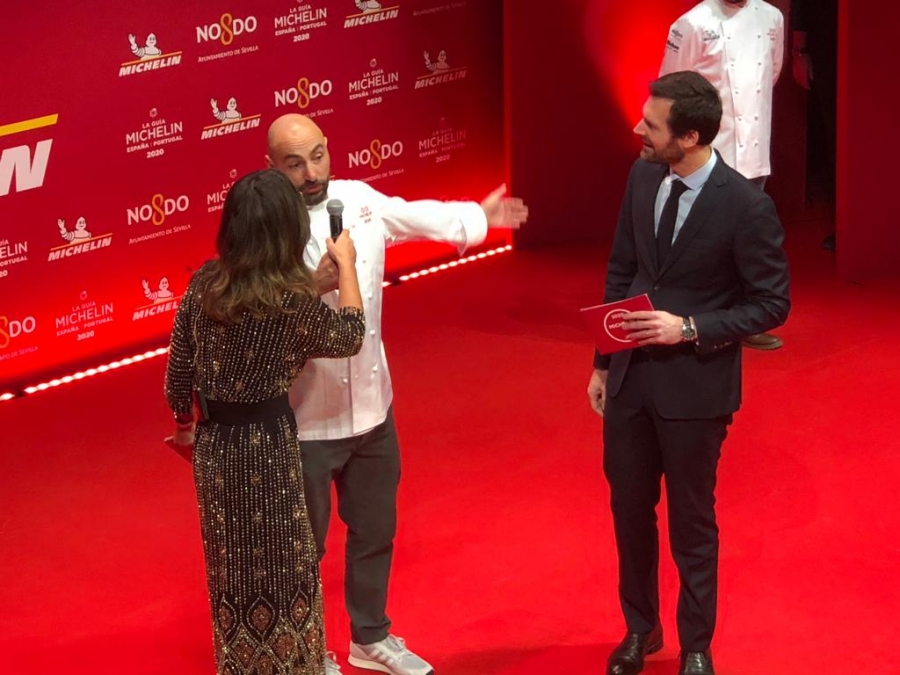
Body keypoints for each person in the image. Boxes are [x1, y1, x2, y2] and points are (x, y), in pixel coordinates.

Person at [265, 113, 528, 675]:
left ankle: (370, 638)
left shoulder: (359, 199)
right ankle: (306, 652)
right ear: (272, 167)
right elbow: (252, 320)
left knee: (376, 531)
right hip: (303, 418)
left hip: (373, 409)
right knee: (300, 551)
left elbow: (414, 216)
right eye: (294, 164)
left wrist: (477, 217)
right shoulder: (262, 225)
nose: (311, 173)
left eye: (317, 156)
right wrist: (311, 287)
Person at [586, 72, 790, 675]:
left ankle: (695, 644)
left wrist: (690, 327)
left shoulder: (746, 205)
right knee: (629, 511)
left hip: (696, 389)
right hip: (629, 382)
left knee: (692, 521)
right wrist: (602, 360)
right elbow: (622, 267)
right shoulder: (642, 174)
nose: (638, 131)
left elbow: (771, 303)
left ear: (691, 135)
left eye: (651, 125)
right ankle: (639, 630)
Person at [165, 169, 367, 675]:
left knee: (231, 572)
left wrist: (185, 426)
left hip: (216, 448)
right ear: (289, 230)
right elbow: (349, 335)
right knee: (287, 568)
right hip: (270, 445)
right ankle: (298, 662)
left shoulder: (203, 285)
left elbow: (177, 373)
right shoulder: (292, 303)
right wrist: (346, 269)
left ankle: (239, 664)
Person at [660, 0, 785, 351]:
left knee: (750, 244)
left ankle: (745, 320)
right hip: (708, 152)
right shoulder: (692, 23)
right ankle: (698, 322)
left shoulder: (772, 17)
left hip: (755, 149)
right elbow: (671, 89)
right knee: (703, 244)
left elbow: (771, 73)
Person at [790, 0, 838, 250]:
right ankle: (848, 225)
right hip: (827, 47)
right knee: (837, 136)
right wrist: (800, 52)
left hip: (877, 42)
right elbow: (801, 6)